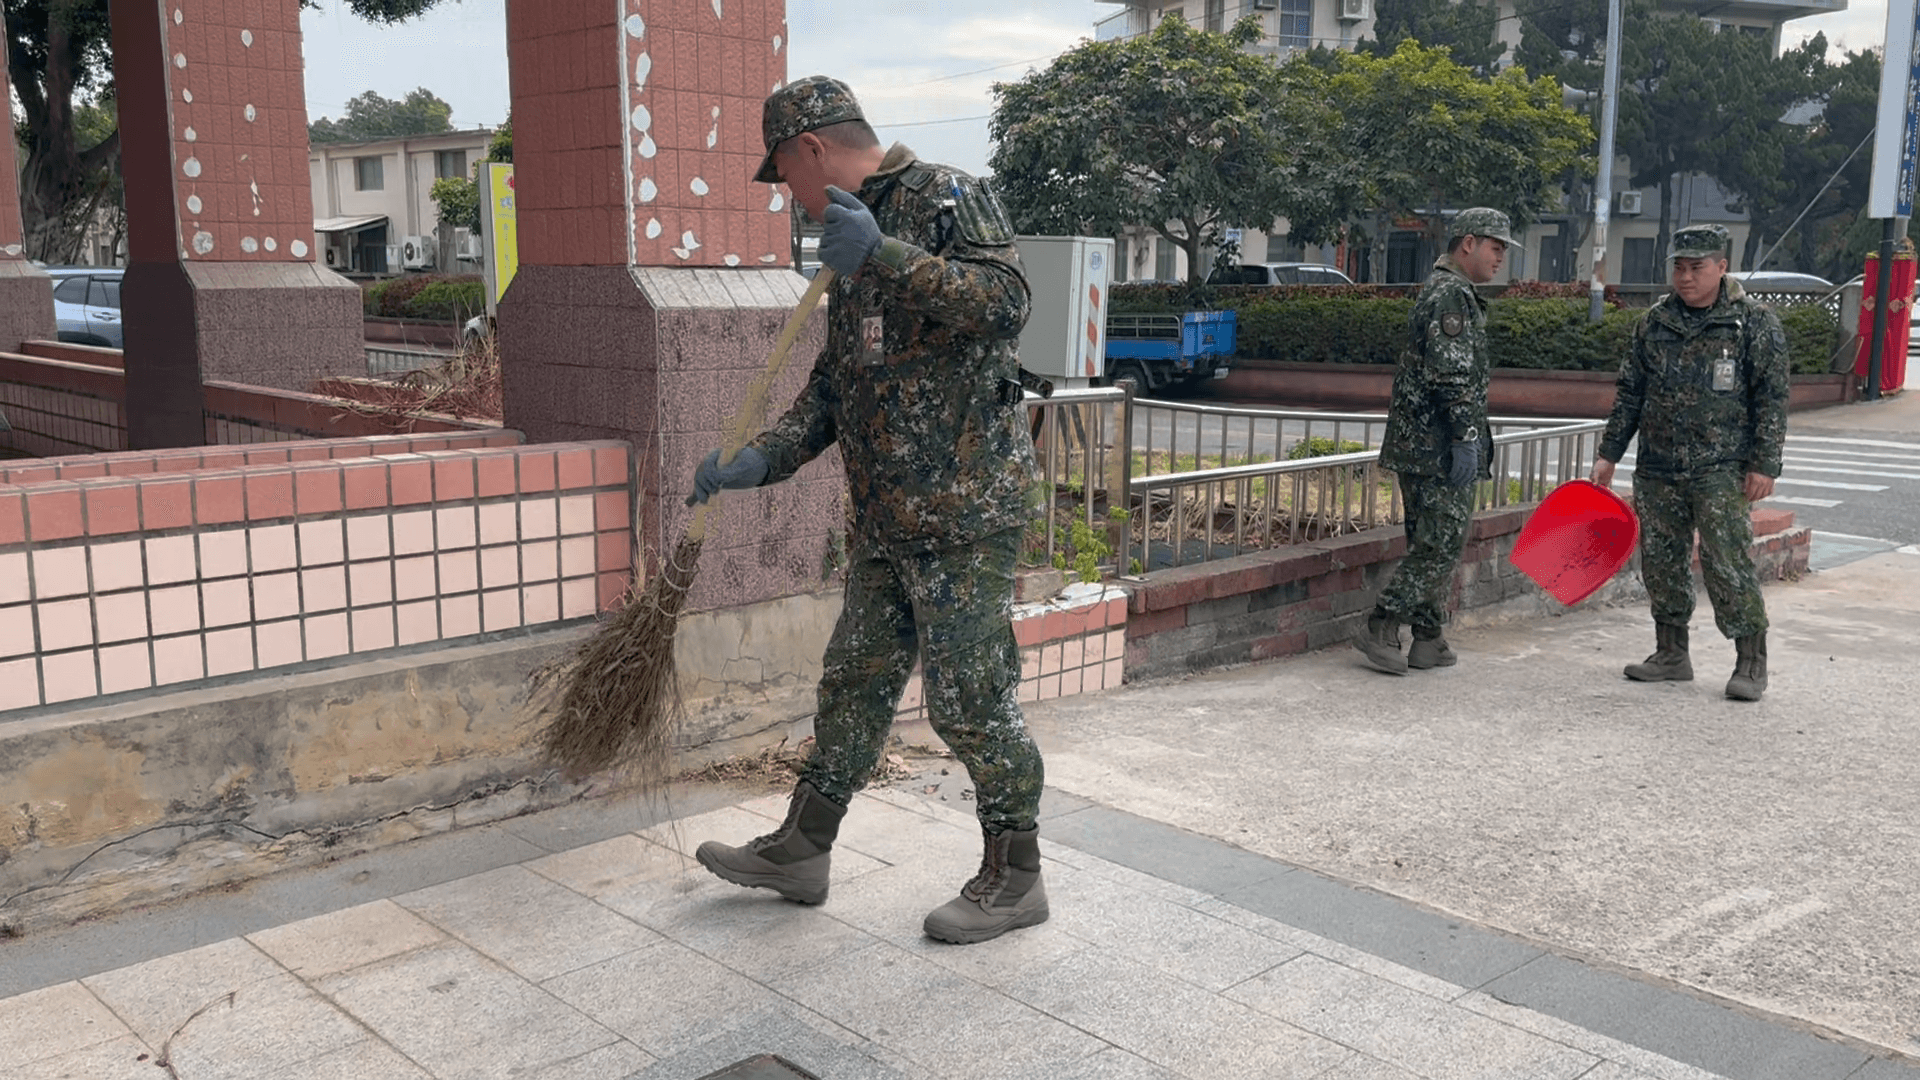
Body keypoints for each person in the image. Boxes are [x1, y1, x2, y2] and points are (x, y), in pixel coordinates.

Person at [687, 76, 1049, 945]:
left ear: (811, 146)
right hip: (888, 520)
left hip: (965, 511)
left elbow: (1007, 307)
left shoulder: (945, 195)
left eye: (781, 174)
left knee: (970, 699)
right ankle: (801, 850)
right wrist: (760, 458)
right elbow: (832, 390)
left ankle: (1017, 875)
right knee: (853, 685)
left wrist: (883, 253)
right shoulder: (845, 246)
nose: (787, 198)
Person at [1592, 224, 1788, 702]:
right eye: (1678, 267)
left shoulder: (1753, 324)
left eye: (1697, 267)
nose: (1685, 277)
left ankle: (1750, 660)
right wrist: (1609, 454)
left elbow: (1772, 398)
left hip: (1720, 466)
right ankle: (1671, 652)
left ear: (1722, 267)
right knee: (1660, 561)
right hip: (1659, 464)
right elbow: (1630, 393)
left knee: (1726, 561)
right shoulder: (1655, 322)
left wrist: (1764, 464)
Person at [1353, 208, 1511, 675]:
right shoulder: (1452, 297)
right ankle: (1380, 625)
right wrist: (1465, 437)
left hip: (1421, 444)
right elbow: (1451, 374)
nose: (1500, 258)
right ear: (1469, 244)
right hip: (1436, 446)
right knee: (1440, 545)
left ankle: (1429, 638)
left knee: (1429, 540)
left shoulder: (1446, 291)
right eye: (1496, 247)